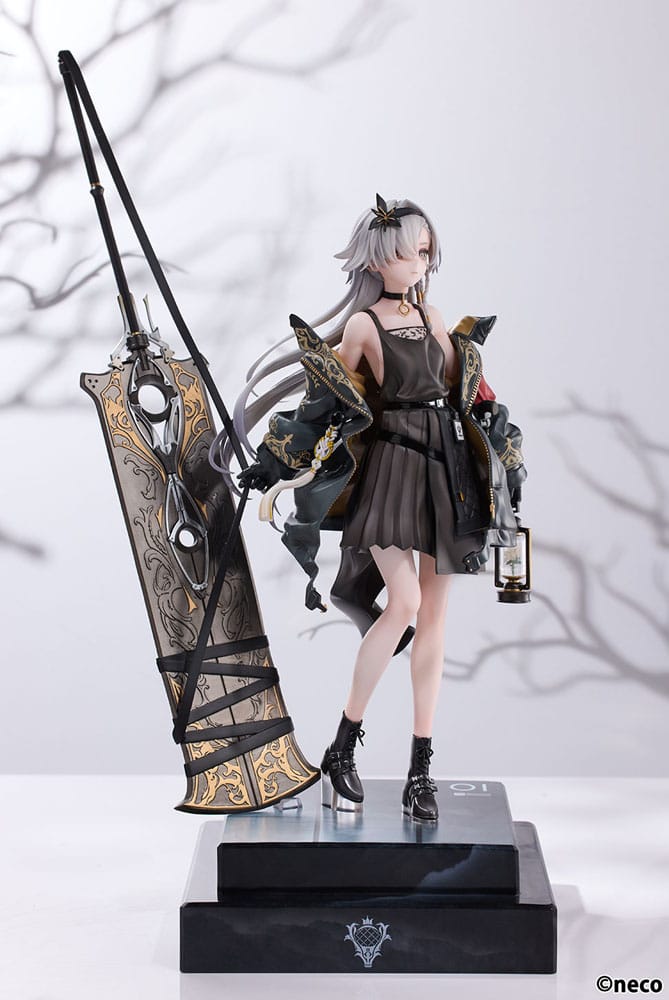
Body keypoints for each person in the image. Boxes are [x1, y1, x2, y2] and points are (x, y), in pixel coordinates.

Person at [210, 195, 526, 822]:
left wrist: (501, 450)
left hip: (447, 473)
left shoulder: (433, 316)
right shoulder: (363, 327)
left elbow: (467, 391)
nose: (421, 263)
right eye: (410, 253)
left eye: (426, 252)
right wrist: (274, 461)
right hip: (391, 471)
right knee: (403, 603)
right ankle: (343, 745)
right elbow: (321, 405)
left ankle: (421, 768)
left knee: (433, 621)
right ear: (379, 260)